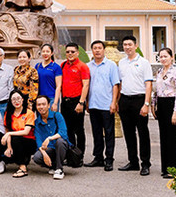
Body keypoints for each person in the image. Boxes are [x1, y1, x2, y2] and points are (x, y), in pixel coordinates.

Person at [117, 35, 154, 176]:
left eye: (129, 44)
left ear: (135, 45)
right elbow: (120, 83)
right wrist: (118, 102)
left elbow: (148, 84)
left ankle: (145, 163)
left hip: (139, 100)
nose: (127, 47)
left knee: (143, 132)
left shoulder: (144, 62)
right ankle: (133, 161)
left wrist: (146, 104)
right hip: (125, 100)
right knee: (128, 133)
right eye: (125, 44)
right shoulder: (121, 63)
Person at [85, 40, 121, 171]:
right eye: (95, 48)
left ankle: (109, 159)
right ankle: (98, 158)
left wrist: (114, 102)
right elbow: (86, 86)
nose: (97, 50)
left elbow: (115, 85)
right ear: (92, 51)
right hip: (93, 104)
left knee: (109, 133)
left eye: (99, 48)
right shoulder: (88, 66)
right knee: (96, 133)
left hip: (107, 105)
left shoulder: (111, 65)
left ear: (103, 50)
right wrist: (87, 102)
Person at [152, 47, 176, 178]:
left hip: (172, 104)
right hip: (161, 104)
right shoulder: (159, 72)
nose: (163, 59)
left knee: (173, 137)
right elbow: (156, 90)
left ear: (171, 57)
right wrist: (153, 105)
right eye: (161, 56)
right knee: (164, 137)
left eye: (165, 56)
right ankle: (165, 167)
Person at [60, 43, 90, 154]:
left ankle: (80, 154)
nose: (70, 54)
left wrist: (81, 102)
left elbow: (86, 85)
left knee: (79, 130)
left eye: (72, 52)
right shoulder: (63, 65)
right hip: (65, 102)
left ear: (77, 53)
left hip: (77, 101)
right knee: (68, 129)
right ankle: (71, 154)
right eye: (68, 52)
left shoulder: (82, 66)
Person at [33, 95, 69, 180]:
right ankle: (53, 166)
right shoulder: (37, 122)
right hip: (50, 150)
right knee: (37, 157)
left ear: (49, 105)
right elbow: (38, 142)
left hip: (63, 148)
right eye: (39, 105)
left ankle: (59, 169)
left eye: (43, 104)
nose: (41, 107)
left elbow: (63, 133)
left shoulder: (57, 115)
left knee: (60, 141)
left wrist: (49, 138)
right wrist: (44, 154)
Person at [1, 90, 36, 178]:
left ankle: (23, 167)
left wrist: (9, 134)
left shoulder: (29, 113)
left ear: (23, 99)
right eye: (13, 99)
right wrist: (9, 147)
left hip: (29, 141)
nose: (16, 101)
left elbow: (26, 131)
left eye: (18, 99)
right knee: (3, 141)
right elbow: (7, 131)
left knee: (16, 139)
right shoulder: (8, 114)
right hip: (15, 140)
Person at [35, 44, 62, 112]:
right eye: (43, 51)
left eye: (47, 51)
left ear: (52, 53)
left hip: (51, 98)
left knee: (51, 120)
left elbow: (58, 86)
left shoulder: (56, 67)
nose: (45, 53)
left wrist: (55, 103)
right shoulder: (37, 66)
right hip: (39, 99)